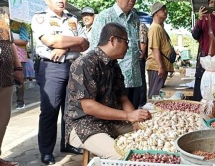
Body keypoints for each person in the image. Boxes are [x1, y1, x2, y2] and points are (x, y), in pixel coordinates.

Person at [65, 22, 152, 159]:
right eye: (126, 41)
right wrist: (128, 116)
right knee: (124, 156)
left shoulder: (113, 64)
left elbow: (123, 98)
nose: (128, 46)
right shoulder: (84, 63)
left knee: (151, 134)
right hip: (84, 124)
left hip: (110, 120)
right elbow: (88, 107)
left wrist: (135, 121)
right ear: (112, 40)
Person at [31, 0, 89, 165]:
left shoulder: (73, 19)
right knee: (50, 110)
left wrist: (64, 48)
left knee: (71, 110)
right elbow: (50, 40)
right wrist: (76, 41)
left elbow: (85, 44)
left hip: (72, 66)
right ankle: (46, 151)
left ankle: (68, 143)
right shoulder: (40, 18)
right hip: (51, 68)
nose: (61, 0)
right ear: (46, 0)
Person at [90, 0, 142, 109]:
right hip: (113, 83)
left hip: (134, 79)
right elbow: (95, 50)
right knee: (116, 122)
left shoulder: (135, 17)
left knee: (134, 120)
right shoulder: (105, 17)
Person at [0, 5, 23, 166]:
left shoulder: (0, 11)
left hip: (4, 76)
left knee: (1, 120)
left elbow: (10, 41)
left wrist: (18, 67)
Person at [146, 2, 174, 99]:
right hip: (156, 67)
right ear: (156, 13)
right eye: (162, 10)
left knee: (158, 95)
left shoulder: (159, 27)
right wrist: (161, 67)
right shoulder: (155, 28)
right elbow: (155, 49)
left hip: (159, 67)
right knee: (155, 96)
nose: (165, 11)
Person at [11, 20, 30, 109]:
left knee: (19, 79)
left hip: (19, 56)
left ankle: (20, 102)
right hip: (5, 55)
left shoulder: (21, 25)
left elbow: (25, 41)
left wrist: (10, 40)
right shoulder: (2, 23)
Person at [138, 23, 148, 107]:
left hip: (138, 58)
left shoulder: (141, 25)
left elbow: (143, 43)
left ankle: (141, 103)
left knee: (140, 80)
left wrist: (141, 56)